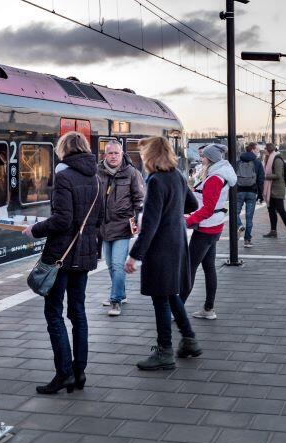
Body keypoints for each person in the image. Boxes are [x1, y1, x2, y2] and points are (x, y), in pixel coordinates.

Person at [22, 131, 104, 394]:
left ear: (64, 150)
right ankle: (79, 372)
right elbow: (98, 219)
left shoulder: (64, 177)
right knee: (78, 312)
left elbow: (62, 220)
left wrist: (34, 230)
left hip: (60, 256)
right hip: (84, 256)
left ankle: (64, 373)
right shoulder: (97, 178)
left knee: (54, 313)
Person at [126, 136, 199, 370]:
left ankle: (164, 352)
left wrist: (134, 255)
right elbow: (192, 205)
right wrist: (172, 210)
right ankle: (188, 340)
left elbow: (150, 225)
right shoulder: (177, 176)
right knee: (171, 293)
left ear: (151, 155)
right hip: (177, 243)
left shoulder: (156, 180)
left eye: (144, 154)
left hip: (160, 249)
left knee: (161, 298)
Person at [183, 143, 236, 320]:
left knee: (189, 268)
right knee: (208, 267)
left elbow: (207, 208)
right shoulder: (220, 174)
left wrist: (188, 221)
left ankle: (178, 309)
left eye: (204, 156)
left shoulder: (214, 179)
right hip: (214, 227)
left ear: (211, 159)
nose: (201, 159)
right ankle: (208, 308)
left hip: (206, 229)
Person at [98, 139, 144, 317]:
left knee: (118, 264)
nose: (114, 156)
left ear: (122, 154)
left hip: (123, 226)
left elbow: (140, 199)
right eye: (110, 153)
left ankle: (115, 300)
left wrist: (140, 221)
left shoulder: (132, 173)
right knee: (110, 265)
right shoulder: (97, 172)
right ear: (105, 155)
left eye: (117, 153)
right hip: (104, 227)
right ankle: (121, 294)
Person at [262, 142, 286, 240]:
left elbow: (278, 175)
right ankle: (273, 231)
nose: (264, 151)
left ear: (269, 149)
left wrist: (264, 177)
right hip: (270, 189)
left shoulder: (277, 159)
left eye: (265, 149)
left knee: (281, 210)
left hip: (278, 189)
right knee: (271, 210)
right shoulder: (268, 159)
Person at [235, 142, 261, 248]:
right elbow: (261, 179)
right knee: (249, 218)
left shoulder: (237, 162)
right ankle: (247, 240)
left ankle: (239, 225)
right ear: (253, 150)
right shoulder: (257, 163)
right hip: (252, 192)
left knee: (235, 212)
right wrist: (261, 194)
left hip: (239, 191)